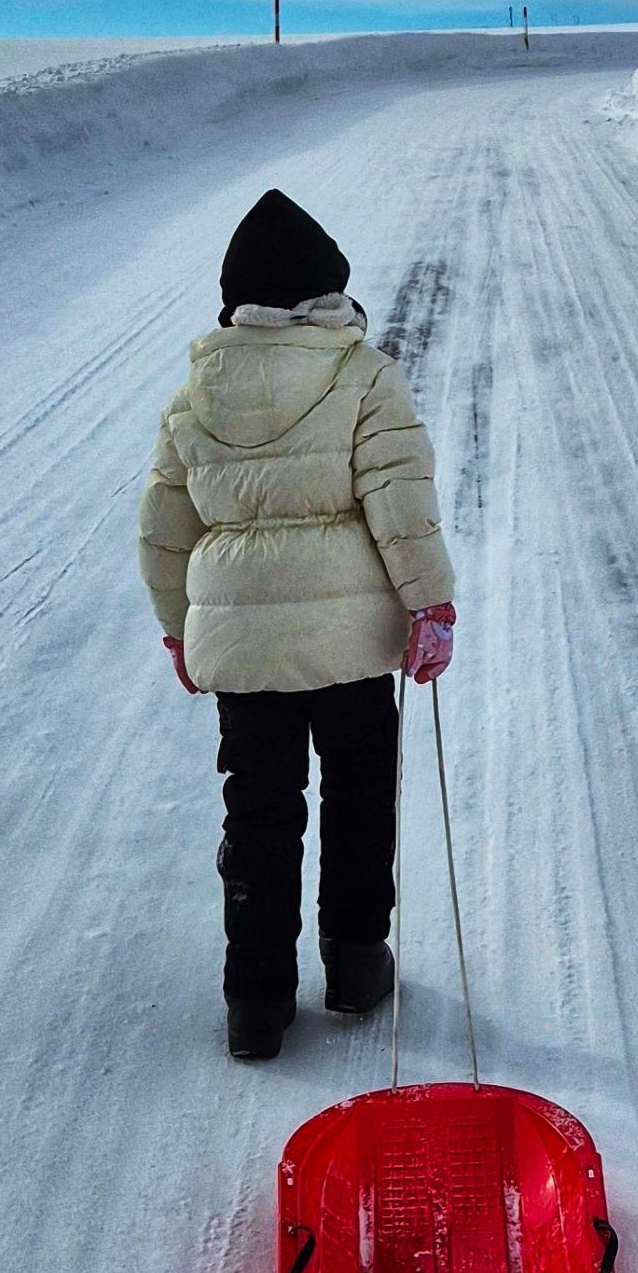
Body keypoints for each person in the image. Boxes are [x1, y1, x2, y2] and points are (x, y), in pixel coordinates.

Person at [137, 187, 456, 1061]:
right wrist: (429, 603)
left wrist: (179, 629)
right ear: (326, 290)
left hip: (242, 652)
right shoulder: (363, 373)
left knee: (260, 814)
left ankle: (256, 1001)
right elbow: (401, 502)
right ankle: (355, 963)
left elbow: (165, 529)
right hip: (351, 646)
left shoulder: (196, 390)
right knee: (359, 796)